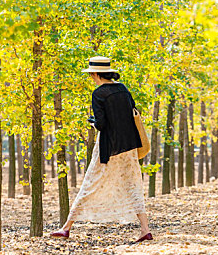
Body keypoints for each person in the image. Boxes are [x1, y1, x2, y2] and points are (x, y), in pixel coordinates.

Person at [50, 56, 152, 243]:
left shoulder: (98, 94)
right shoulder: (123, 89)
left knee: (91, 182)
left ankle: (66, 228)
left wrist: (93, 122)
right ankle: (145, 229)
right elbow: (132, 112)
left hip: (108, 147)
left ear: (96, 74)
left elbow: (102, 125)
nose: (91, 77)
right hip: (128, 146)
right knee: (132, 184)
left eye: (91, 74)